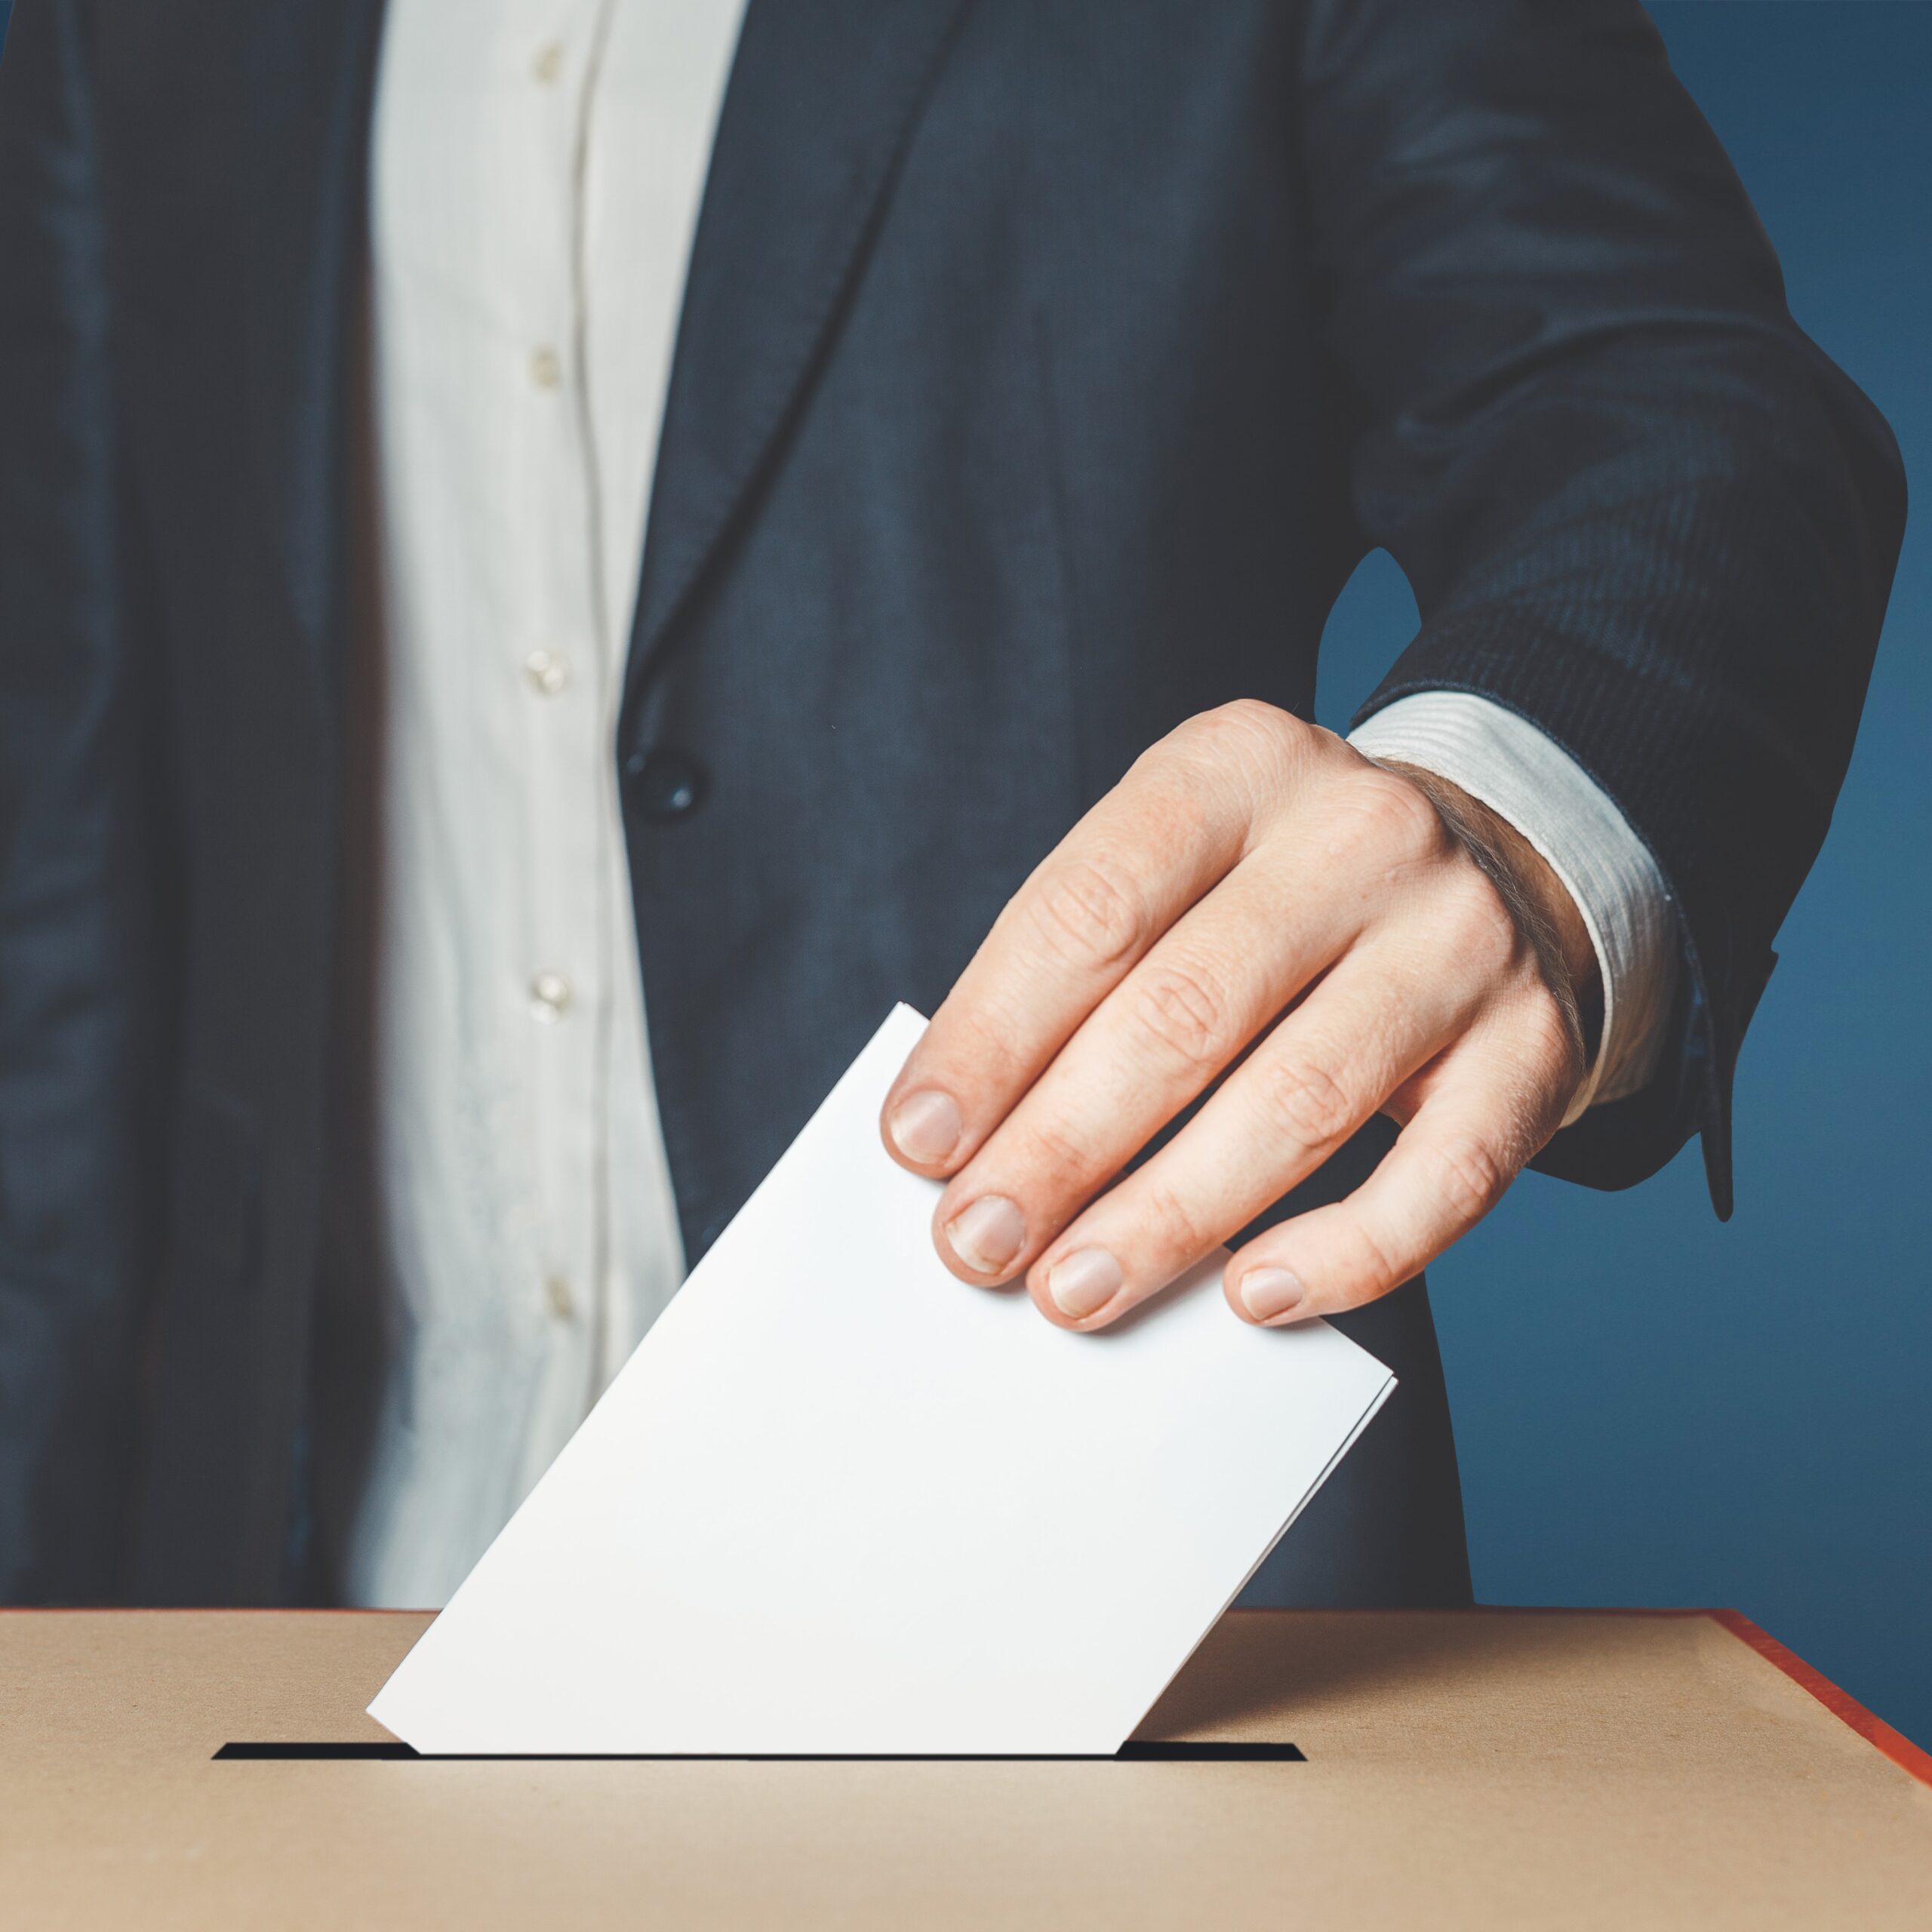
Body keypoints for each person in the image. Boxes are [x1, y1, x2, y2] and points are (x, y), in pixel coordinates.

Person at [0, 0, 1902, 1610]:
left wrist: (1512, 809)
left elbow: (1669, 397)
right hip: (303, 1604)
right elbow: (67, 883)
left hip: (1115, 1606)